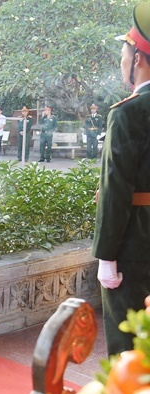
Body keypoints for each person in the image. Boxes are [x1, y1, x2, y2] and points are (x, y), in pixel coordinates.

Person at [93, 2, 150, 356]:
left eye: (124, 55)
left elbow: (116, 189)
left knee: (127, 348)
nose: (121, 62)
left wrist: (106, 256)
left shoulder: (128, 113)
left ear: (138, 59)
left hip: (134, 245)